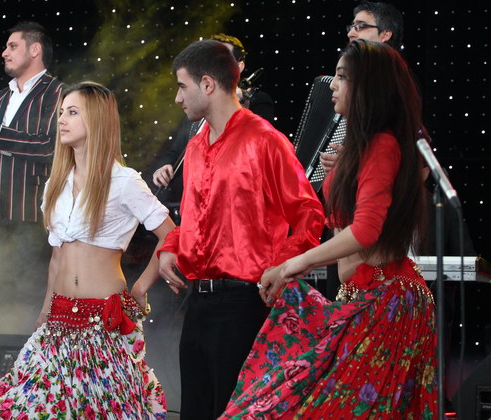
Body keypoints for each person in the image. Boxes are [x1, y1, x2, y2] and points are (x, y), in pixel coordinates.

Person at [220, 40, 437, 418]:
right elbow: (340, 229)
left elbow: (366, 231)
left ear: (368, 86)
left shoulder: (384, 144)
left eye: (341, 77)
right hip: (360, 297)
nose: (331, 85)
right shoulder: (360, 146)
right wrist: (289, 264)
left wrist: (294, 264)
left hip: (386, 301)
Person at [0, 82, 174, 419]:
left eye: (73, 112)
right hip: (59, 318)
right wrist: (46, 310)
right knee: (20, 407)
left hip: (103, 321)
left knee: (99, 409)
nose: (62, 119)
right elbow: (57, 257)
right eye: (62, 112)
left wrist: (141, 287)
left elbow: (171, 235)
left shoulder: (124, 181)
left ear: (96, 119)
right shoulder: (56, 184)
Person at [158, 40, 324, 419]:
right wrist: (171, 245)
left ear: (207, 84)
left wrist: (281, 267)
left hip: (244, 304)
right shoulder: (196, 147)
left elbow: (308, 213)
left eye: (182, 87)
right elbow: (195, 217)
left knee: (234, 411)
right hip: (197, 303)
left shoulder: (264, 140)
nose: (177, 98)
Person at [0, 21, 65, 331]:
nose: (4, 53)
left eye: (12, 46)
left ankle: (27, 353)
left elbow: (50, 147)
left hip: (30, 214)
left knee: (27, 294)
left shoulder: (57, 93)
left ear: (35, 50)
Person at [152, 33, 274, 193]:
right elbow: (175, 150)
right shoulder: (196, 104)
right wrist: (164, 166)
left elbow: (258, 151)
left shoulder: (257, 101)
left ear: (240, 66)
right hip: (185, 196)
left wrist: (239, 104)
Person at [320, 1, 404, 174]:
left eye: (361, 26)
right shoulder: (355, 76)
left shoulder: (399, 80)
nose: (351, 33)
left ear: (385, 34)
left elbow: (401, 146)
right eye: (352, 27)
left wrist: (354, 161)